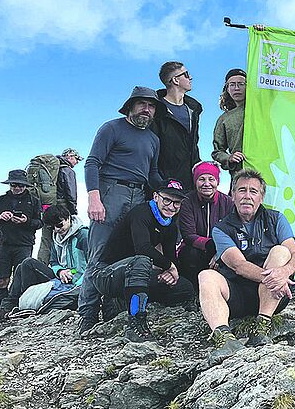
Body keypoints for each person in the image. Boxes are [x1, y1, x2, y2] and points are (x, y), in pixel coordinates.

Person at [79, 86, 165, 332]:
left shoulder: (153, 139)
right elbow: (93, 162)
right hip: (110, 192)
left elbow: (152, 173)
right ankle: (87, 313)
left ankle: (112, 307)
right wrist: (94, 198)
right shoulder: (111, 128)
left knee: (127, 253)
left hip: (139, 195)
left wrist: (169, 190)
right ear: (130, 106)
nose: (146, 110)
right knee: (99, 254)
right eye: (142, 105)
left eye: (151, 106)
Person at [199, 169, 295, 359]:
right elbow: (238, 265)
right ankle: (224, 338)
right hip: (238, 296)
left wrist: (285, 272)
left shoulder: (276, 219)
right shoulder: (221, 228)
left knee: (281, 252)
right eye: (241, 190)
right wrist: (275, 277)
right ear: (232, 196)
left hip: (273, 296)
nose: (247, 196)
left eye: (253, 191)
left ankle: (261, 328)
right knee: (206, 276)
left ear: (261, 197)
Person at [87, 180, 194, 342]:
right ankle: (135, 323)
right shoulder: (141, 213)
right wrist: (169, 266)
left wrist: (170, 274)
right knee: (142, 261)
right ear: (156, 196)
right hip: (106, 274)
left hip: (137, 273)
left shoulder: (170, 225)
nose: (171, 207)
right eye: (167, 200)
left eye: (177, 203)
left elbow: (171, 257)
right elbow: (143, 248)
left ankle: (123, 301)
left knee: (186, 287)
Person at [0, 204, 89, 315]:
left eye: (59, 225)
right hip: (62, 277)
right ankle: (9, 305)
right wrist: (61, 271)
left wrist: (77, 281)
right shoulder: (56, 239)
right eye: (52, 228)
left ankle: (27, 303)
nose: (57, 230)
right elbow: (54, 262)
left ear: (68, 218)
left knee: (29, 263)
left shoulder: (83, 236)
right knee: (21, 267)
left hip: (77, 281)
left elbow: (91, 265)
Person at [0, 170, 43, 306]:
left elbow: (40, 223)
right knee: (2, 278)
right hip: (3, 244)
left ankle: (17, 305)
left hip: (24, 245)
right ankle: (0, 305)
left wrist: (26, 221)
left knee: (21, 278)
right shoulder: (0, 200)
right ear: (9, 185)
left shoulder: (34, 201)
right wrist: (0, 216)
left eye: (20, 185)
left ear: (25, 186)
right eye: (13, 185)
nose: (17, 188)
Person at [177, 161, 234, 287]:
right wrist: (211, 246)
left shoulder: (228, 203)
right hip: (197, 249)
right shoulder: (187, 201)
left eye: (211, 179)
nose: (206, 184)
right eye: (201, 179)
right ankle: (193, 290)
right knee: (190, 253)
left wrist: (220, 252)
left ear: (217, 182)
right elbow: (188, 235)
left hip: (221, 249)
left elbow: (233, 233)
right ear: (195, 181)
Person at [154, 62, 203, 191]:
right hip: (164, 184)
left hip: (190, 183)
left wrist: (200, 169)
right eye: (186, 74)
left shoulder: (194, 109)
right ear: (175, 80)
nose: (190, 77)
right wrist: (160, 182)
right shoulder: (156, 110)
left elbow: (194, 145)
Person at [37, 148, 83, 263]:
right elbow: (71, 193)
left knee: (46, 239)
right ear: (70, 156)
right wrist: (73, 211)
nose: (77, 162)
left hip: (47, 208)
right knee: (65, 237)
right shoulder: (68, 171)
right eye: (77, 159)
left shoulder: (51, 170)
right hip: (62, 208)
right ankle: (64, 266)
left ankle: (41, 266)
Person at [211, 68, 247, 178]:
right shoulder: (224, 119)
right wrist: (229, 158)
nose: (236, 88)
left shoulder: (260, 110)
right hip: (239, 174)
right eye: (232, 84)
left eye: (241, 84)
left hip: (267, 171)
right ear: (227, 88)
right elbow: (217, 151)